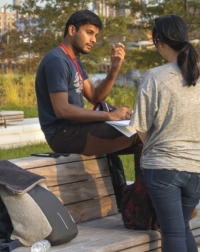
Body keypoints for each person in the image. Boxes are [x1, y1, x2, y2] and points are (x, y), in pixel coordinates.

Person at [128, 15, 200, 252]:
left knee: (173, 231)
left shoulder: (155, 76)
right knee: (182, 227)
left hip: (164, 166)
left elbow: (140, 126)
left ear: (158, 42)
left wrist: (155, 138)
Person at [35, 10, 135, 157]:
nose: (93, 39)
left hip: (78, 129)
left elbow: (95, 96)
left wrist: (115, 67)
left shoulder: (74, 61)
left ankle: (142, 181)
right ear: (72, 30)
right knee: (139, 134)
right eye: (89, 32)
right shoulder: (57, 61)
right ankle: (144, 181)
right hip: (62, 135)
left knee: (143, 131)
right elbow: (62, 110)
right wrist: (109, 116)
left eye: (95, 35)